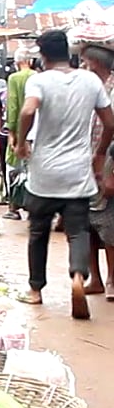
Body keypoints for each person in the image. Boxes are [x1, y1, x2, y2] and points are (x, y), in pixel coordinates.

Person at [13, 30, 114, 319]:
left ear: (43, 55)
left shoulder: (39, 80)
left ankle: (35, 290)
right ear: (67, 53)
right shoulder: (90, 80)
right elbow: (109, 123)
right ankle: (78, 277)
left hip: (44, 173)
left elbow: (28, 110)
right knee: (78, 231)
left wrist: (21, 143)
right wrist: (98, 153)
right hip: (77, 173)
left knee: (38, 232)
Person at [81, 45, 114, 299]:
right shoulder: (91, 89)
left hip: (107, 162)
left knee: (108, 223)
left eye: (85, 63)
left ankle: (112, 279)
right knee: (87, 222)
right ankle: (96, 278)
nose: (82, 67)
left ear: (95, 64)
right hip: (87, 164)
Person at [4, 47, 38, 220]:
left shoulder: (14, 78)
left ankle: (13, 207)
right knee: (32, 170)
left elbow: (13, 106)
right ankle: (33, 208)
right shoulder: (38, 77)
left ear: (17, 62)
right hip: (37, 130)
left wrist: (12, 132)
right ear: (31, 61)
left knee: (14, 168)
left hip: (20, 128)